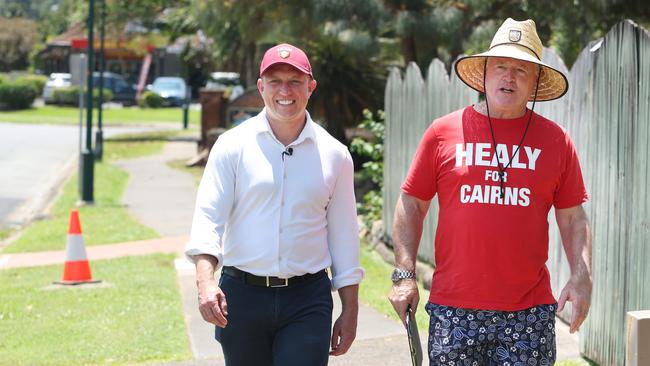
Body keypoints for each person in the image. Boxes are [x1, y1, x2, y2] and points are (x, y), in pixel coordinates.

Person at [388, 18, 592, 366]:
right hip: (454, 309)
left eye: (521, 70)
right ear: (483, 72)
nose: (508, 77)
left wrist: (582, 275)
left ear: (536, 82)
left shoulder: (556, 141)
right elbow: (411, 203)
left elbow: (573, 216)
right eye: (500, 66)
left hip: (528, 315)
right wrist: (404, 274)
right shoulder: (442, 132)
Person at [185, 43, 364, 366]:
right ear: (260, 87)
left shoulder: (335, 154)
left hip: (307, 298)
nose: (285, 91)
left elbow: (344, 238)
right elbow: (208, 217)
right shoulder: (231, 146)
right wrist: (205, 281)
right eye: (275, 81)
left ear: (311, 87)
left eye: (295, 81)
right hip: (242, 294)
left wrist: (350, 309)